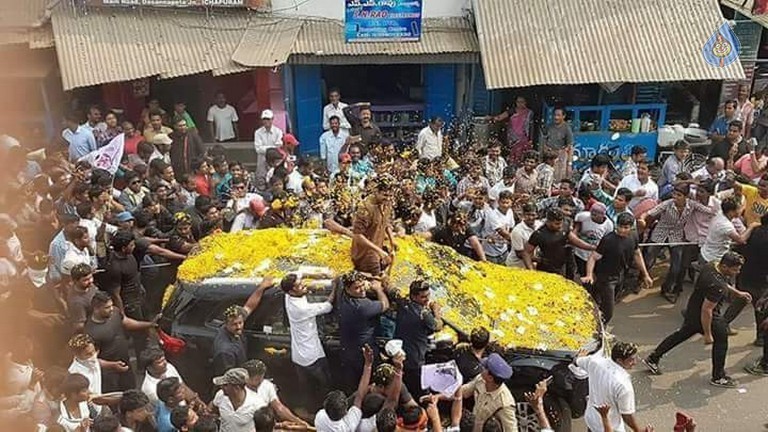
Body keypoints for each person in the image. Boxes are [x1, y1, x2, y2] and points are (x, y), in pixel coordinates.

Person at [644, 251, 752, 388]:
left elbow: (723, 283)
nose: (738, 272)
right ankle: (718, 377)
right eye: (735, 269)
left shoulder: (712, 265)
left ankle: (653, 357)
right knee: (721, 339)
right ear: (725, 267)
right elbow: (707, 310)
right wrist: (707, 334)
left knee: (682, 334)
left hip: (693, 309)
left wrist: (737, 293)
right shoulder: (716, 286)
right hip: (708, 315)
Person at [641, 185, 716, 303]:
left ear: (686, 197)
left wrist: (717, 202)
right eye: (674, 194)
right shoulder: (668, 203)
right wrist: (642, 218)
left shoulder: (692, 204)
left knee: (676, 267)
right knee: (649, 260)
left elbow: (711, 211)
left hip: (676, 236)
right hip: (660, 233)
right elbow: (650, 212)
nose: (675, 197)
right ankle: (640, 280)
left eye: (679, 195)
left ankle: (666, 289)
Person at [581, 213, 653, 323]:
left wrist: (645, 275)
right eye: (620, 226)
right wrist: (589, 274)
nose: (622, 230)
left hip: (622, 276)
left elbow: (637, 254)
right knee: (608, 312)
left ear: (631, 227)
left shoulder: (633, 236)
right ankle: (599, 328)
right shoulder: (608, 240)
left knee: (608, 302)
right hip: (607, 279)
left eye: (626, 227)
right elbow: (593, 257)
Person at [281, 273, 334, 409]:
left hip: (299, 355)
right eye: (300, 285)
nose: (304, 285)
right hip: (312, 356)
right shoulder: (302, 309)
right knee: (325, 386)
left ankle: (309, 409)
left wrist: (319, 274)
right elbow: (328, 306)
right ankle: (324, 409)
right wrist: (336, 286)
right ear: (292, 291)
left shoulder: (288, 296)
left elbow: (299, 271)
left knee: (307, 389)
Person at [85, 291, 157, 393]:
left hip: (125, 364)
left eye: (111, 305)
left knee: (132, 392)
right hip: (108, 374)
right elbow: (91, 360)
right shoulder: (91, 332)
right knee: (115, 399)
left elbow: (126, 322)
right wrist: (112, 365)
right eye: (107, 307)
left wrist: (150, 324)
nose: (111, 309)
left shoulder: (115, 312)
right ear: (96, 309)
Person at [338, 272, 389, 393]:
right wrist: (378, 289)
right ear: (347, 288)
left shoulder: (342, 295)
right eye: (357, 288)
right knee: (370, 383)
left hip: (347, 351)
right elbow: (385, 305)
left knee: (352, 385)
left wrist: (369, 278)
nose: (361, 290)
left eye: (362, 285)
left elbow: (341, 277)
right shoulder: (362, 306)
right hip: (364, 353)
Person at [574, 342, 643, 432]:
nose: (635, 362)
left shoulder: (594, 362)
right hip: (610, 427)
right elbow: (627, 415)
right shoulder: (623, 384)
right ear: (619, 360)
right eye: (631, 360)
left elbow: (578, 361)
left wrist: (580, 357)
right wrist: (637, 430)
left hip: (592, 420)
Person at [212, 277, 274, 376]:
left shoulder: (235, 325)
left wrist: (261, 288)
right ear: (226, 323)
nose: (239, 327)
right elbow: (229, 376)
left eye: (240, 322)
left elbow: (249, 306)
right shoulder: (225, 350)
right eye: (234, 324)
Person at [723, 212, 768, 346]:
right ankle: (760, 337)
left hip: (745, 273)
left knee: (742, 298)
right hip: (761, 278)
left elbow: (741, 245)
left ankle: (722, 323)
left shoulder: (753, 231)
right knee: (760, 307)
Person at [394, 280, 443, 398]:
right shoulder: (424, 314)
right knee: (418, 389)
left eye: (428, 295)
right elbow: (438, 326)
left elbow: (392, 290)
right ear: (414, 296)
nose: (427, 299)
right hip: (416, 360)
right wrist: (436, 311)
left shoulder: (403, 302)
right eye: (423, 297)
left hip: (400, 354)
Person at [314, 345, 374, 432]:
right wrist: (368, 365)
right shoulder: (348, 426)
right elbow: (360, 396)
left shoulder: (320, 417)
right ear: (346, 412)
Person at [523, 207, 596, 276]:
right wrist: (531, 270)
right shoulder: (539, 234)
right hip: (546, 268)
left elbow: (575, 240)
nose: (560, 226)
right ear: (548, 221)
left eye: (561, 222)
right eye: (557, 224)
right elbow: (526, 253)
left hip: (563, 266)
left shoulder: (565, 225)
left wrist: (591, 247)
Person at [457, 353, 517, 432]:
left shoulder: (505, 404)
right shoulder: (481, 379)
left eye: (485, 368)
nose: (481, 368)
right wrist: (439, 396)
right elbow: (463, 392)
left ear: (490, 378)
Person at [350, 175, 395, 275]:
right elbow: (358, 236)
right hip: (366, 254)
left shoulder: (387, 203)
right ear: (376, 192)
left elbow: (386, 222)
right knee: (379, 282)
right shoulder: (365, 208)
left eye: (390, 195)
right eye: (385, 195)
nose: (388, 198)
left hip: (379, 250)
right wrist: (378, 251)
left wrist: (392, 241)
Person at [242, 359, 308, 426]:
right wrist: (279, 425)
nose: (259, 382)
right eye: (256, 379)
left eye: (261, 378)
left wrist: (298, 421)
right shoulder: (240, 393)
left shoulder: (267, 385)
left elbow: (279, 408)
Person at [699, 199, 758, 264]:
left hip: (707, 252)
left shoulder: (721, 213)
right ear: (731, 212)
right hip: (712, 258)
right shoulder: (725, 225)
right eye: (738, 209)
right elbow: (741, 240)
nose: (741, 210)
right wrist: (751, 227)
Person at [210, 368, 261, 432]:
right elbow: (211, 409)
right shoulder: (220, 395)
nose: (221, 387)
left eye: (225, 385)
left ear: (236, 388)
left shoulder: (257, 403)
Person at [489, 96, 533, 164]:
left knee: (523, 157)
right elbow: (499, 117)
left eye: (522, 102)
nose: (520, 104)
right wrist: (491, 118)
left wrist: (530, 139)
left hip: (524, 139)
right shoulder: (512, 111)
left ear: (526, 103)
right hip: (513, 139)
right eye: (518, 102)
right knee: (513, 156)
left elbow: (531, 127)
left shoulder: (529, 113)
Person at [541, 107, 574, 182]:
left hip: (560, 157)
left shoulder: (567, 128)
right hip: (549, 155)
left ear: (563, 116)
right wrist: (545, 149)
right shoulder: (549, 126)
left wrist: (569, 164)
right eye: (555, 115)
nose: (556, 117)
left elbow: (570, 146)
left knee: (558, 178)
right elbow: (544, 139)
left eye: (558, 115)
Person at [65, 263, 98, 332]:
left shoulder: (88, 286)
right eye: (85, 280)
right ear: (75, 281)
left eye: (91, 277)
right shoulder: (77, 302)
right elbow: (79, 326)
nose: (90, 281)